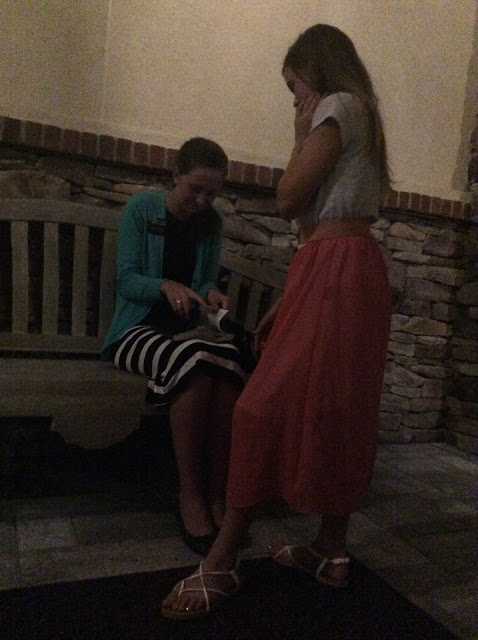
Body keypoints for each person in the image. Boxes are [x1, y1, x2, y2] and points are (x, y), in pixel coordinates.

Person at [161, 24, 392, 619]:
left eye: (294, 87)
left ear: (316, 68)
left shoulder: (337, 106)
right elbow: (324, 225)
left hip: (335, 265)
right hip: (344, 266)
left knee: (258, 406)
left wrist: (298, 133)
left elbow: (290, 200)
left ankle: (223, 561)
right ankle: (331, 549)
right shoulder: (364, 113)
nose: (296, 101)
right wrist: (291, 298)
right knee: (340, 407)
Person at [102, 137, 247, 556]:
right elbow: (127, 279)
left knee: (229, 361)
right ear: (176, 174)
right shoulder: (142, 209)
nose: (201, 201)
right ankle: (189, 493)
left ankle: (218, 492)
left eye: (211, 194)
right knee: (196, 361)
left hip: (186, 333)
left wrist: (212, 293)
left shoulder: (211, 223)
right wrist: (165, 285)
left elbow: (204, 281)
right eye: (194, 189)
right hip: (136, 330)